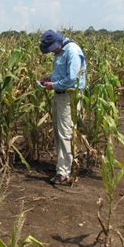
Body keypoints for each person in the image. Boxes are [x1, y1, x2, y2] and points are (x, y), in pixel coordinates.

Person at [39, 30, 86, 185]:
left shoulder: (72, 51)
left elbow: (72, 79)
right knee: (59, 132)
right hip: (60, 95)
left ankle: (64, 174)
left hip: (69, 96)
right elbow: (62, 74)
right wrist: (49, 78)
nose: (51, 51)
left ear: (58, 42)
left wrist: (53, 85)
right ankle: (61, 168)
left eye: (52, 48)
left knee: (65, 133)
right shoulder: (60, 52)